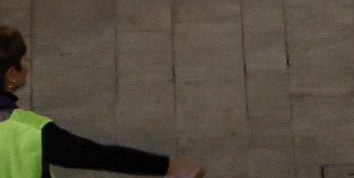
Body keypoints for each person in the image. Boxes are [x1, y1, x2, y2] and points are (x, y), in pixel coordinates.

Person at [0, 27, 204, 175]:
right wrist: (169, 166)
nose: (28, 64)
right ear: (11, 73)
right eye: (23, 59)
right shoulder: (28, 132)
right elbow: (98, 156)